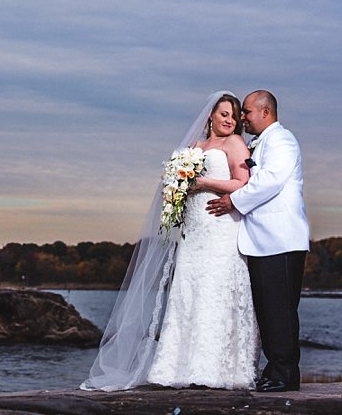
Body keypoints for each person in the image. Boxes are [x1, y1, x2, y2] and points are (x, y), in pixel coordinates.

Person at [81, 91, 259, 391]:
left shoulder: (235, 144)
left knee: (215, 290)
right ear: (210, 117)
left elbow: (243, 183)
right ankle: (178, 367)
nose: (229, 120)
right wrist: (176, 191)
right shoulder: (194, 147)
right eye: (224, 113)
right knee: (187, 289)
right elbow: (176, 183)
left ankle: (216, 369)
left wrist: (202, 183)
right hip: (193, 232)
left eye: (233, 115)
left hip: (220, 228)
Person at [207, 90, 309, 392]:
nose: (242, 118)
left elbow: (270, 180)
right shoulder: (260, 142)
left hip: (282, 240)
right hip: (264, 241)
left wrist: (233, 201)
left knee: (281, 310)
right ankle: (275, 369)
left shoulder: (282, 140)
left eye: (247, 112)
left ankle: (285, 375)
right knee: (268, 310)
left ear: (265, 112)